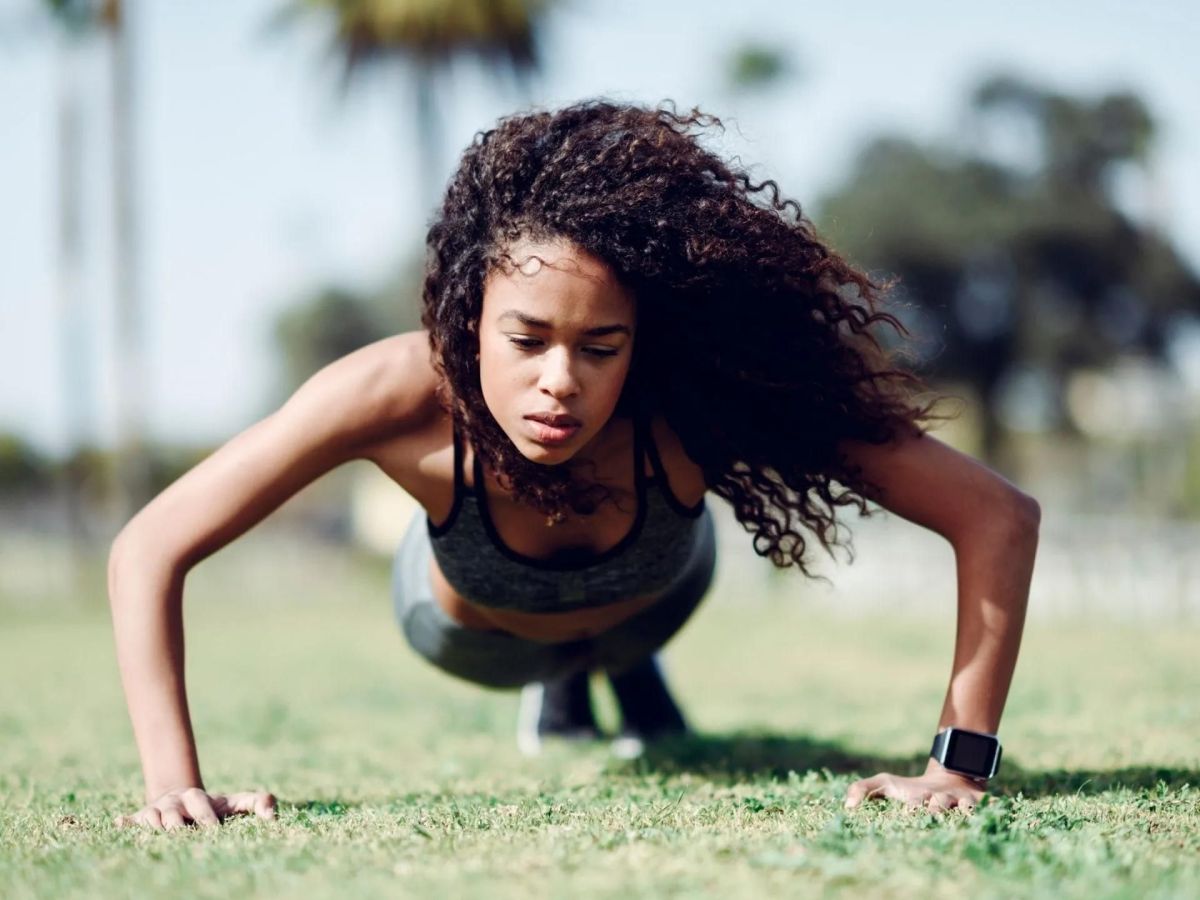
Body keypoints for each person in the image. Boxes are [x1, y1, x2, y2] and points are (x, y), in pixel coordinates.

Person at [108, 100, 1040, 831]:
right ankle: (565, 679)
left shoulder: (699, 397)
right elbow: (148, 547)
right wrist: (174, 787)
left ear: (646, 336)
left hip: (653, 600)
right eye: (527, 338)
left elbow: (998, 515)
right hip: (470, 634)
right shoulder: (391, 392)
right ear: (468, 315)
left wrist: (958, 767)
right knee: (536, 640)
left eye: (602, 346)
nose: (561, 381)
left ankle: (611, 670)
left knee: (658, 580)